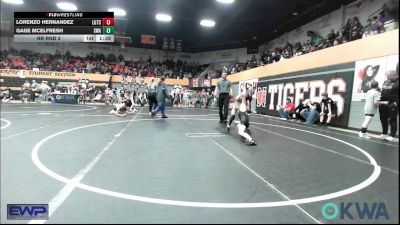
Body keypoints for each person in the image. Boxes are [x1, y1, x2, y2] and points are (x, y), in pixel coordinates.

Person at [379, 70, 399, 142]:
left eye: (388, 76)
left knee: (392, 120)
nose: (387, 77)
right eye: (386, 76)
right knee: (383, 119)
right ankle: (384, 133)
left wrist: (396, 103)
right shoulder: (387, 81)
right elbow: (383, 91)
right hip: (383, 103)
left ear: (394, 75)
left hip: (392, 103)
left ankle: (392, 135)